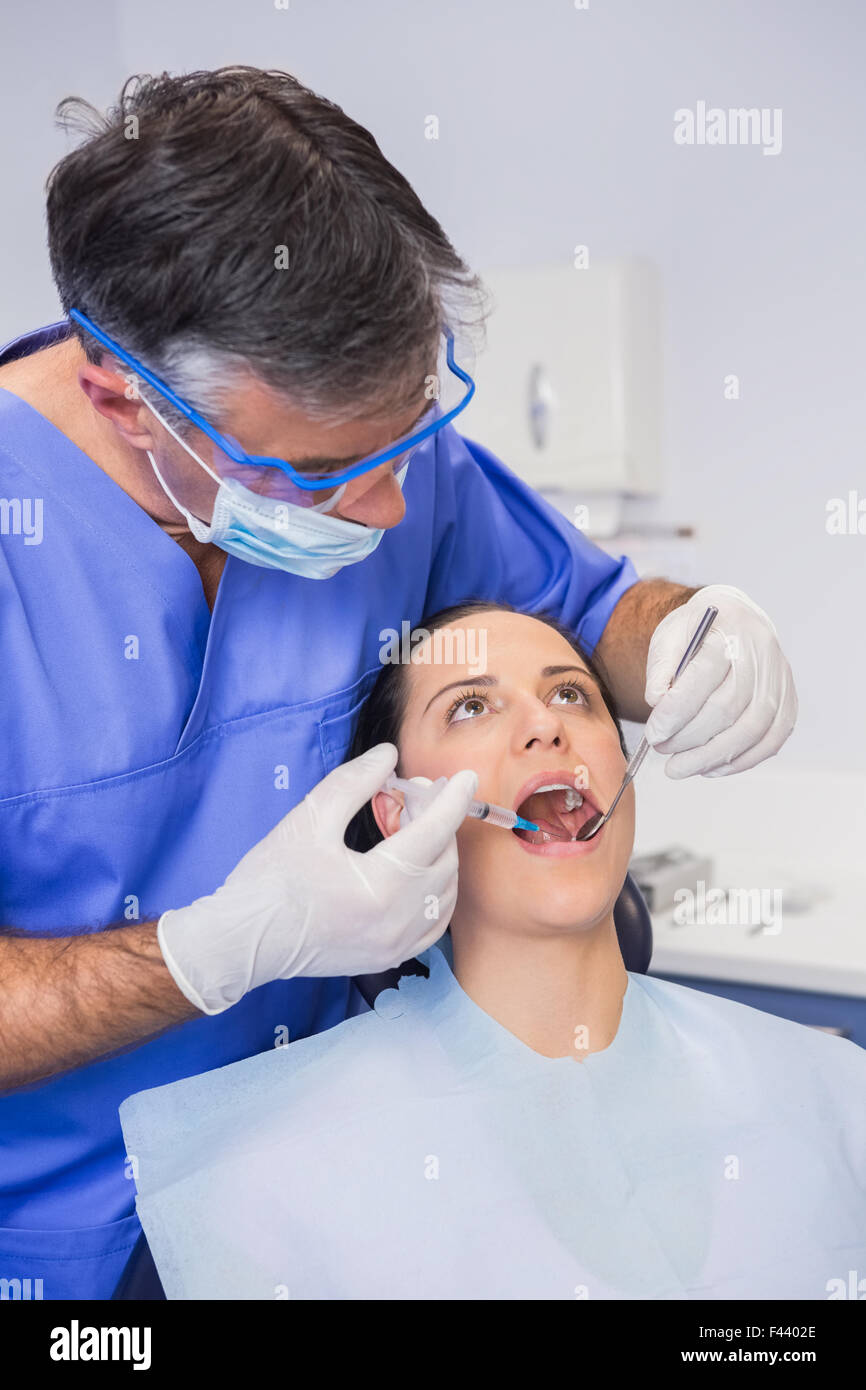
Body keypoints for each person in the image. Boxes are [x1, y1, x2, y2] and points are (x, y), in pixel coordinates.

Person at [0, 66, 797, 1300]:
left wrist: (692, 631)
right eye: (322, 475)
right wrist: (210, 954)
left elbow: (589, 613)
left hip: (327, 1167)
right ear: (125, 398)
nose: (388, 510)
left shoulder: (791, 1106)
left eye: (407, 439)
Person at [118, 603, 862, 1300]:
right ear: (398, 811)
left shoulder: (833, 1092)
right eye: (470, 705)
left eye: (572, 695)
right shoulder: (257, 1182)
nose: (545, 725)